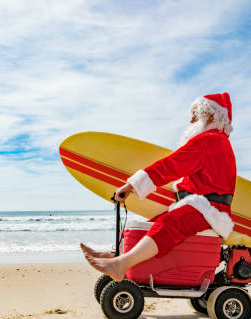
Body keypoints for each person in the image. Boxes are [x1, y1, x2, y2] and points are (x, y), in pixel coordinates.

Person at [81, 92, 236, 282]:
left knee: (167, 225)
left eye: (195, 115)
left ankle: (120, 265)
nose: (191, 121)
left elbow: (171, 166)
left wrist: (131, 185)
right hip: (205, 207)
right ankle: (115, 254)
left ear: (210, 115)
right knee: (153, 223)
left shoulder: (209, 141)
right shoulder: (217, 141)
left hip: (209, 209)